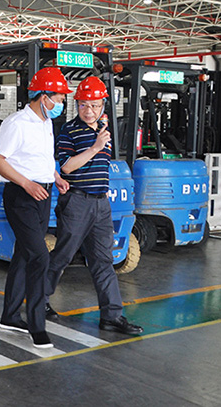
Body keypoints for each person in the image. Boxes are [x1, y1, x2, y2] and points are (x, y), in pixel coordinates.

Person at [45, 76, 143, 335]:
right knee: (63, 255)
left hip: (101, 204)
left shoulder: (103, 129)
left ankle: (112, 316)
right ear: (76, 104)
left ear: (103, 106)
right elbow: (66, 167)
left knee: (103, 260)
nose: (88, 110)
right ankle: (38, 300)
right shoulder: (69, 131)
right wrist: (95, 147)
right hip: (77, 202)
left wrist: (100, 143)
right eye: (83, 105)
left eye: (94, 105)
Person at [0, 67, 71, 349]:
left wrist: (55, 176)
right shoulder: (17, 123)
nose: (61, 104)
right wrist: (26, 184)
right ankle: (37, 326)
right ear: (43, 96)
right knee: (39, 257)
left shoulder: (46, 123)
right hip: (21, 196)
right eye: (59, 99)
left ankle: (10, 316)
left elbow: (43, 158)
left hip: (43, 193)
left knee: (24, 255)